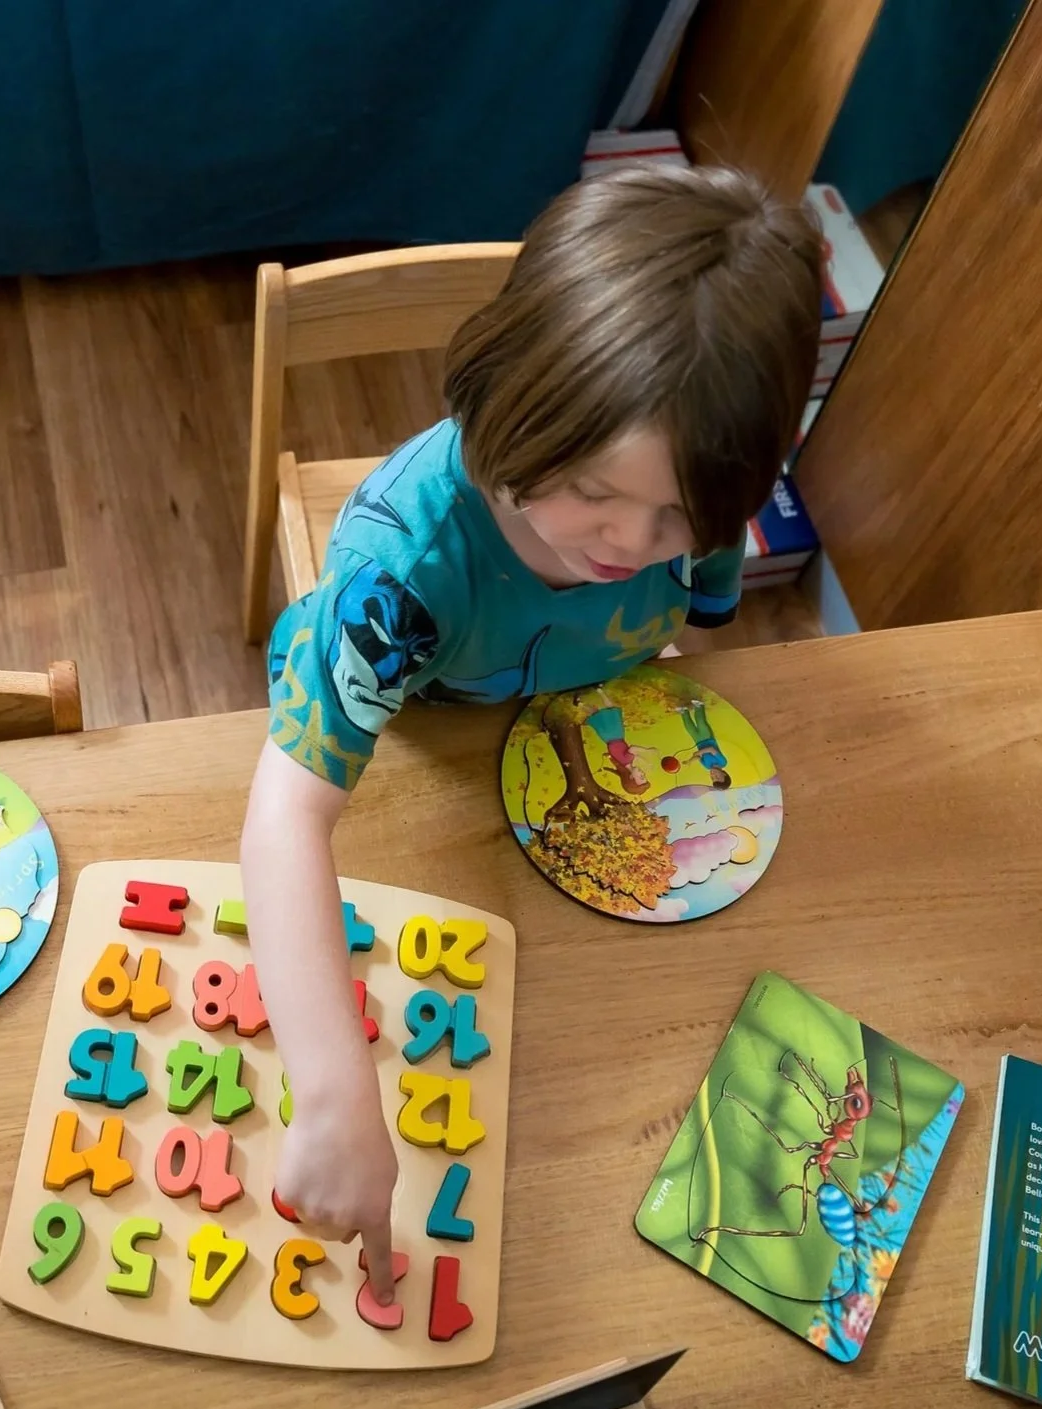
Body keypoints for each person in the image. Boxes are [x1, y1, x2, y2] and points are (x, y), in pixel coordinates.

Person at [240, 165, 824, 1306]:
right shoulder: (399, 580)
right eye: (594, 490)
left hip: (571, 749)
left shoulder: (695, 482)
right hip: (422, 743)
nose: (631, 543)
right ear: (510, 398)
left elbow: (691, 640)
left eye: (677, 515)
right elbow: (281, 817)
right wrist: (334, 1094)